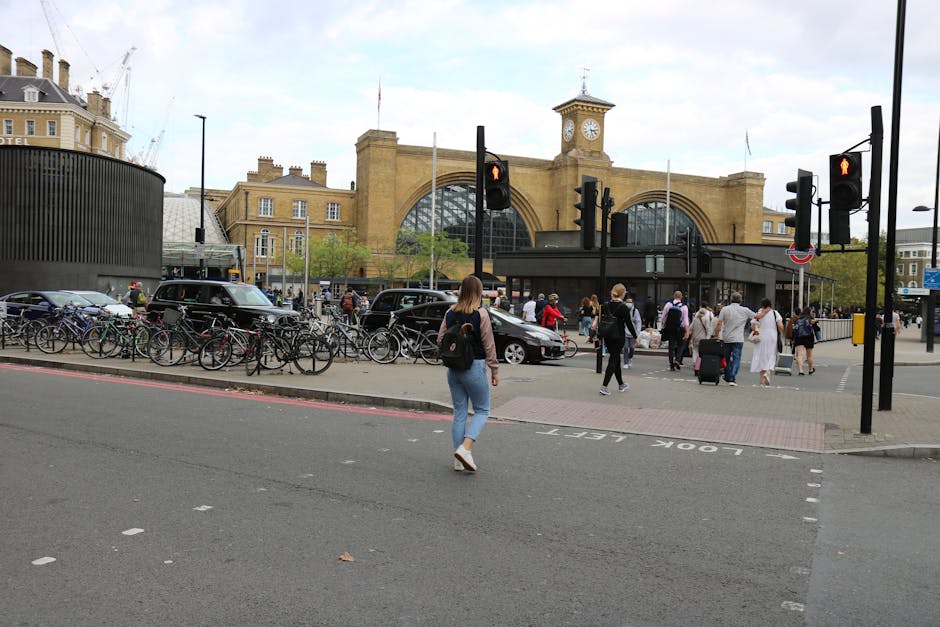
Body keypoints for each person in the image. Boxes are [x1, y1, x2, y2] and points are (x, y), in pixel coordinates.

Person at [437, 275, 499, 472]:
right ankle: (465, 448)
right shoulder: (480, 314)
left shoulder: (450, 313)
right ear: (478, 292)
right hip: (474, 366)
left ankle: (458, 460)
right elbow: (489, 344)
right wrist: (494, 369)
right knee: (482, 410)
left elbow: (440, 340)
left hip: (453, 369)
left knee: (460, 413)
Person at [590, 283, 635, 395]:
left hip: (608, 336)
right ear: (623, 294)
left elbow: (599, 321)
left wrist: (595, 335)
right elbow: (629, 324)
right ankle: (604, 387)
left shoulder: (604, 305)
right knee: (613, 360)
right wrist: (635, 337)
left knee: (616, 360)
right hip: (619, 336)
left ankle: (621, 385)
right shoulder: (624, 307)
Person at [712, 292, 757, 386]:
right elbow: (756, 316)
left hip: (726, 338)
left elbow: (719, 323)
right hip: (738, 338)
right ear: (741, 300)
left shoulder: (725, 309)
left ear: (730, 300)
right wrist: (765, 311)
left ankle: (728, 375)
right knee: (737, 358)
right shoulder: (745, 310)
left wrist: (716, 334)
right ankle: (732, 376)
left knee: (727, 358)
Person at [750, 298, 784, 387]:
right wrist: (780, 332)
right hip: (772, 336)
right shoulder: (775, 313)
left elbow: (753, 326)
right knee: (771, 355)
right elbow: (780, 326)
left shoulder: (759, 313)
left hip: (761, 336)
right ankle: (768, 372)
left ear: (762, 305)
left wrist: (756, 330)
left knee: (762, 356)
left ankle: (761, 381)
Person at [660, 291, 690, 371]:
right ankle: (677, 359)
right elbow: (685, 321)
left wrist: (664, 326)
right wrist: (687, 332)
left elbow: (663, 317)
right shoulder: (684, 307)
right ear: (681, 297)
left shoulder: (668, 305)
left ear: (674, 296)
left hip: (670, 328)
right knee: (681, 345)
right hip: (680, 329)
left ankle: (671, 365)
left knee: (671, 346)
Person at [688, 301, 714, 371]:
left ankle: (695, 364)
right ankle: (699, 365)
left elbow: (691, 327)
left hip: (695, 337)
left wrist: (688, 334)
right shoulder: (709, 315)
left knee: (695, 350)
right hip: (703, 338)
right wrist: (709, 337)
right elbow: (709, 327)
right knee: (702, 352)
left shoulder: (696, 316)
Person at [790, 307, 816, 375]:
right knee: (809, 355)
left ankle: (801, 371)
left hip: (799, 337)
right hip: (809, 337)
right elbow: (816, 328)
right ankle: (810, 369)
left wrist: (793, 338)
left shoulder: (798, 319)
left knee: (800, 355)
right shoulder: (811, 318)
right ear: (809, 312)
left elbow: (794, 329)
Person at [622, 295, 643, 369]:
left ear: (633, 303)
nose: (629, 303)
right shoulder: (623, 310)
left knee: (632, 348)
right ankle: (625, 362)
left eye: (630, 302)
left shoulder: (635, 311)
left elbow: (638, 322)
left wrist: (637, 332)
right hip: (624, 332)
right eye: (627, 302)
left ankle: (630, 358)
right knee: (625, 347)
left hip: (633, 333)